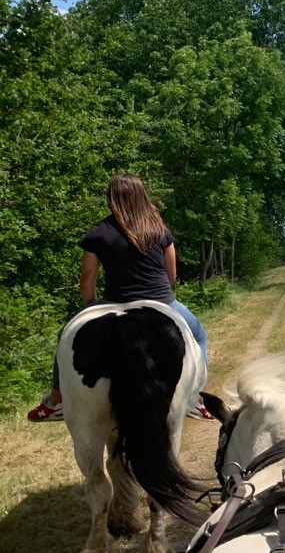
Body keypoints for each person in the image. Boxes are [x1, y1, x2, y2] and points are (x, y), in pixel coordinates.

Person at [27, 173, 214, 421]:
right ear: (141, 196)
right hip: (162, 301)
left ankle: (56, 400)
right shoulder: (159, 228)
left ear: (111, 198)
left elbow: (86, 281)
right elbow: (172, 274)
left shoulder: (99, 232)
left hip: (115, 302)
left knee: (65, 336)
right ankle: (196, 399)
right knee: (199, 335)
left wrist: (91, 307)